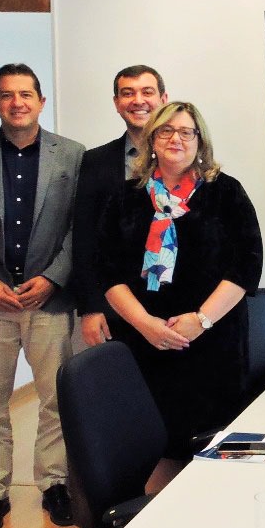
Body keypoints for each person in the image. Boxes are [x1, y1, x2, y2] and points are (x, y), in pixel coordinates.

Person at [98, 101, 263, 492]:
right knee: (158, 444)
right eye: (166, 131)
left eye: (186, 132)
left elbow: (247, 265)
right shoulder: (125, 197)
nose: (176, 139)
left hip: (214, 343)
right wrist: (145, 325)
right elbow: (107, 270)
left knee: (216, 444)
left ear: (199, 142)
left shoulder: (226, 193)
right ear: (152, 140)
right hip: (145, 344)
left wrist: (201, 320)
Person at [0, 63, 85, 528]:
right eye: (7, 95)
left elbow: (78, 229)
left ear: (41, 101)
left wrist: (54, 277)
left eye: (26, 94)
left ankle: (53, 484)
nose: (18, 103)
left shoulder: (72, 155)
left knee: (54, 399)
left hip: (47, 300)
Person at [72, 64, 168, 348]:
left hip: (176, 301)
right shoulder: (94, 162)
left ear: (164, 99)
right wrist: (91, 307)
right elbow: (85, 237)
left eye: (147, 92)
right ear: (117, 103)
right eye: (128, 93)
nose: (138, 101)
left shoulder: (184, 157)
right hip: (115, 305)